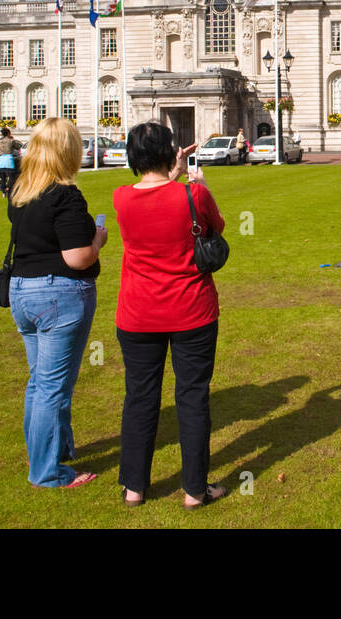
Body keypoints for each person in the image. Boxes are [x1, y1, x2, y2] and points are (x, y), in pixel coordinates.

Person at [113, 122, 226, 508]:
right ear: (169, 153)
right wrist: (194, 181)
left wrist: (172, 174)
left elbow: (153, 193)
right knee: (192, 398)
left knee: (140, 397)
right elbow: (215, 228)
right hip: (191, 308)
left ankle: (134, 486)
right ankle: (195, 490)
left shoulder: (121, 198)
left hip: (139, 312)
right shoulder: (193, 194)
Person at [6, 117, 106, 489]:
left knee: (40, 383)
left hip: (22, 291)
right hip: (58, 294)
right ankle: (46, 472)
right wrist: (99, 240)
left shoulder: (21, 192)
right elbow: (78, 257)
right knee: (52, 386)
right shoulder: (65, 195)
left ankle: (56, 451)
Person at [0, 128, 19, 196]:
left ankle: (3, 191)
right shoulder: (11, 141)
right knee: (11, 176)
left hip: (1, 159)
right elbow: (19, 146)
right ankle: (10, 189)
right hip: (9, 158)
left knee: (3, 177)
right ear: (8, 133)